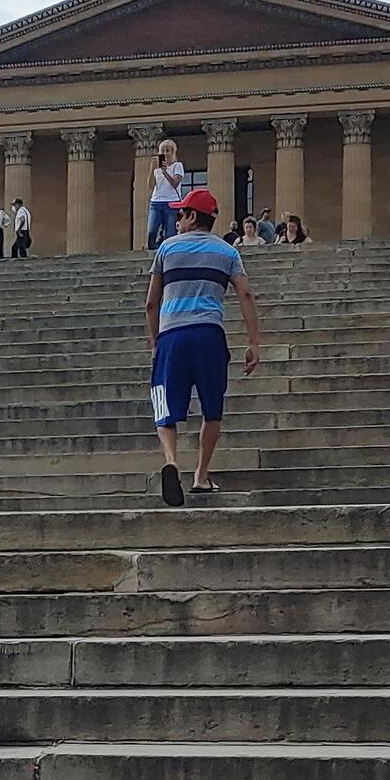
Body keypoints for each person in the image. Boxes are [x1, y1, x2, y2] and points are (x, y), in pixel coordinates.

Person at [145, 183, 262, 508]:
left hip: (172, 335)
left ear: (193, 217)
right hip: (209, 334)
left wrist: (155, 341)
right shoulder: (228, 252)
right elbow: (246, 293)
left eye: (181, 214)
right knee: (212, 409)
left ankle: (171, 460)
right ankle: (200, 475)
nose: (177, 220)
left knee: (164, 408)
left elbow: (151, 303)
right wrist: (253, 342)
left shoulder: (167, 249)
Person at [147, 138, 189, 251]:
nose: (165, 153)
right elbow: (150, 185)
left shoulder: (177, 166)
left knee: (170, 233)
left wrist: (164, 171)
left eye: (168, 151)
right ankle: (153, 252)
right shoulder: (157, 168)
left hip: (172, 202)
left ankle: (169, 253)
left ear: (173, 152)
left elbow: (175, 183)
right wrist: (152, 169)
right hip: (156, 202)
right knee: (152, 231)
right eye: (163, 151)